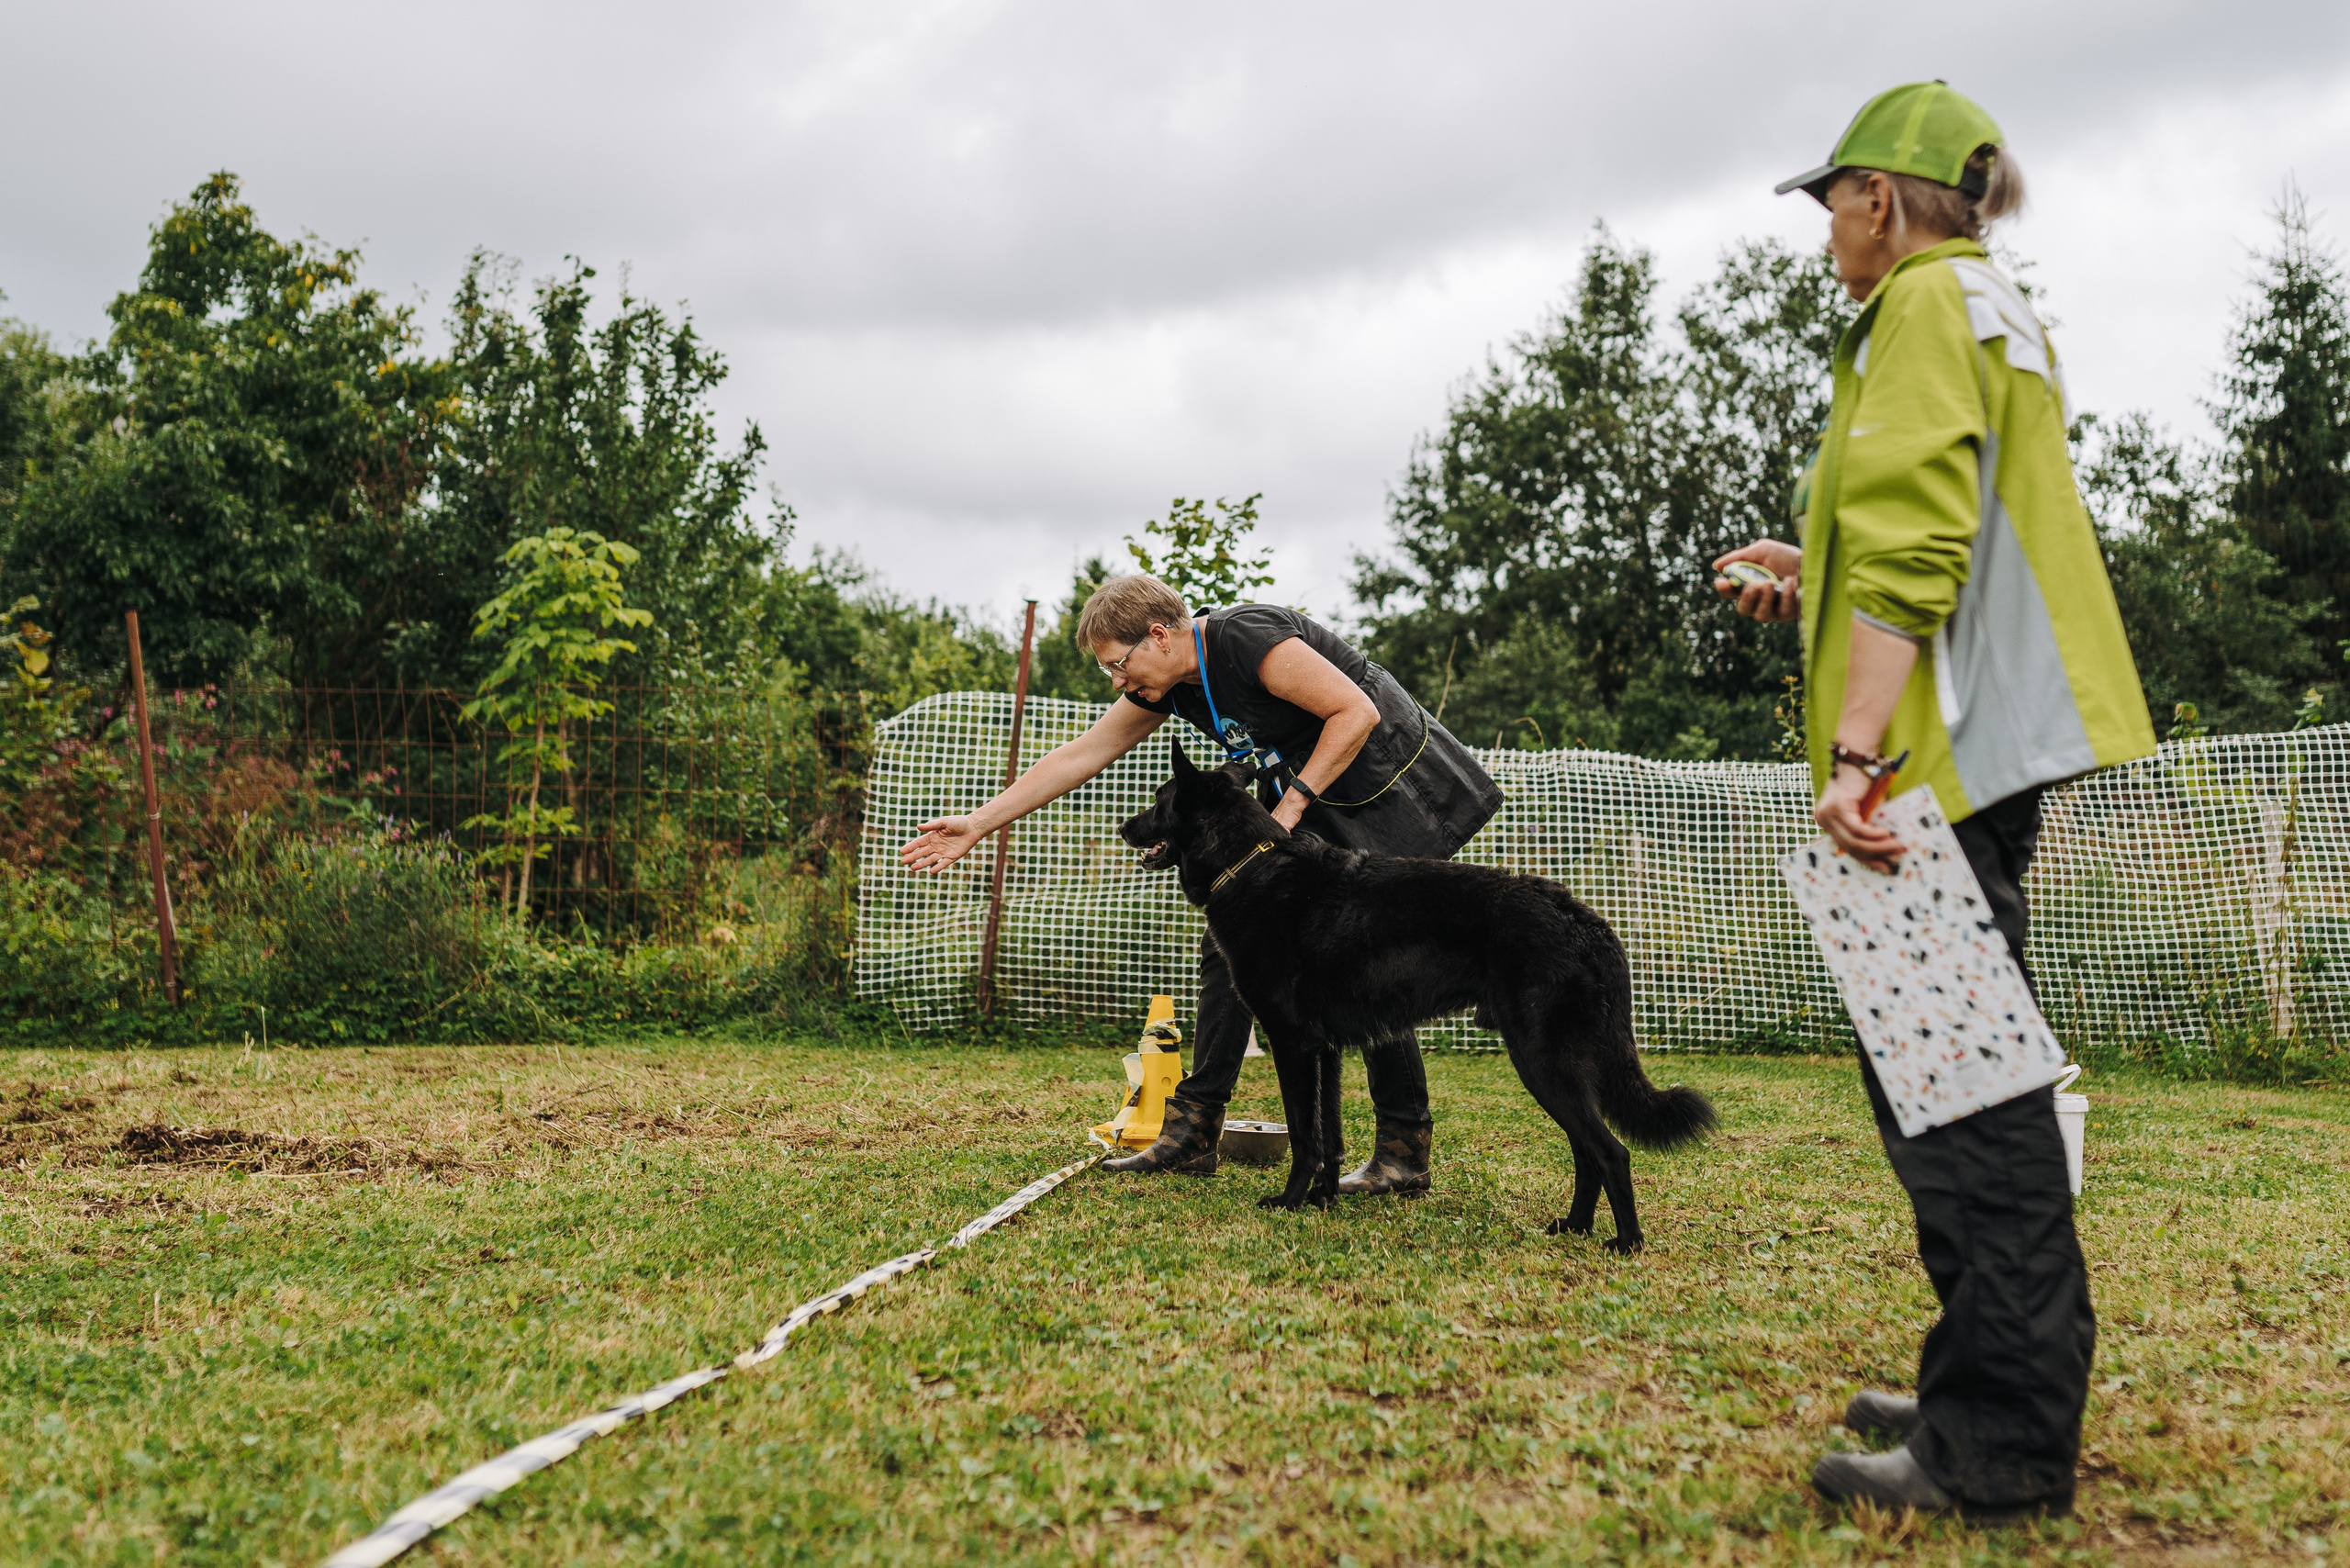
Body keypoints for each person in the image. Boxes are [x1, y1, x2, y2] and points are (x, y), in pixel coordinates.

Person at [1718, 81, 2155, 1521]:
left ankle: (2002, 1441)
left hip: (1930, 760)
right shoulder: (1995, 305)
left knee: (1963, 1099)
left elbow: (1916, 525)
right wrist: (1816, 570)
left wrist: (1857, 753)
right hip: (1990, 739)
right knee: (1962, 1081)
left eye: (1830, 203)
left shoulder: (1912, 306)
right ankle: (1984, 1374)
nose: (1826, 233)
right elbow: (1937, 523)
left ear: (1879, 199)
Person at [900, 574, 1502, 1189]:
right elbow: (1083, 753)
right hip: (1312, 788)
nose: (1116, 682)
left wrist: (1285, 814)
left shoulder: (1246, 641)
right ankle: (1193, 1129)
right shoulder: (1171, 683)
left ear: (1158, 635)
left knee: (1366, 960)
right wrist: (978, 823)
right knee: (1230, 942)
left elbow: (1356, 712)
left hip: (1385, 780)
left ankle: (1401, 1153)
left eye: (1117, 665)